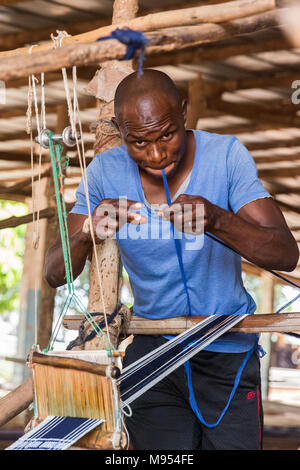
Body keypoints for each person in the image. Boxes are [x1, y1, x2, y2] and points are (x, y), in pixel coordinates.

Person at [44, 69, 299, 450]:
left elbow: (285, 253)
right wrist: (87, 235)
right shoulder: (103, 175)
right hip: (153, 356)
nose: (157, 154)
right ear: (120, 131)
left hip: (226, 350)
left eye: (167, 134)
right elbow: (54, 272)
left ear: (183, 112)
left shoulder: (225, 156)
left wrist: (217, 218)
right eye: (138, 142)